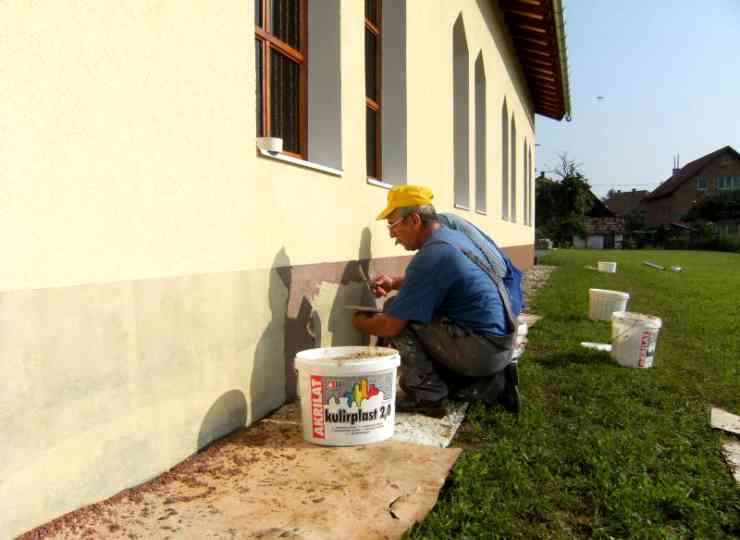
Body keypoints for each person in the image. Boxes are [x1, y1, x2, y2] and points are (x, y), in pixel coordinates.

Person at [351, 185, 521, 416]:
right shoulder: (451, 238)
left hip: (482, 351)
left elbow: (390, 327)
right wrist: (394, 282)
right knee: (411, 310)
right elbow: (437, 280)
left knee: (398, 313)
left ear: (414, 220)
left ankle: (427, 394)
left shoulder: (432, 255)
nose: (391, 234)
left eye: (392, 225)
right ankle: (488, 385)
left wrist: (359, 323)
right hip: (499, 346)